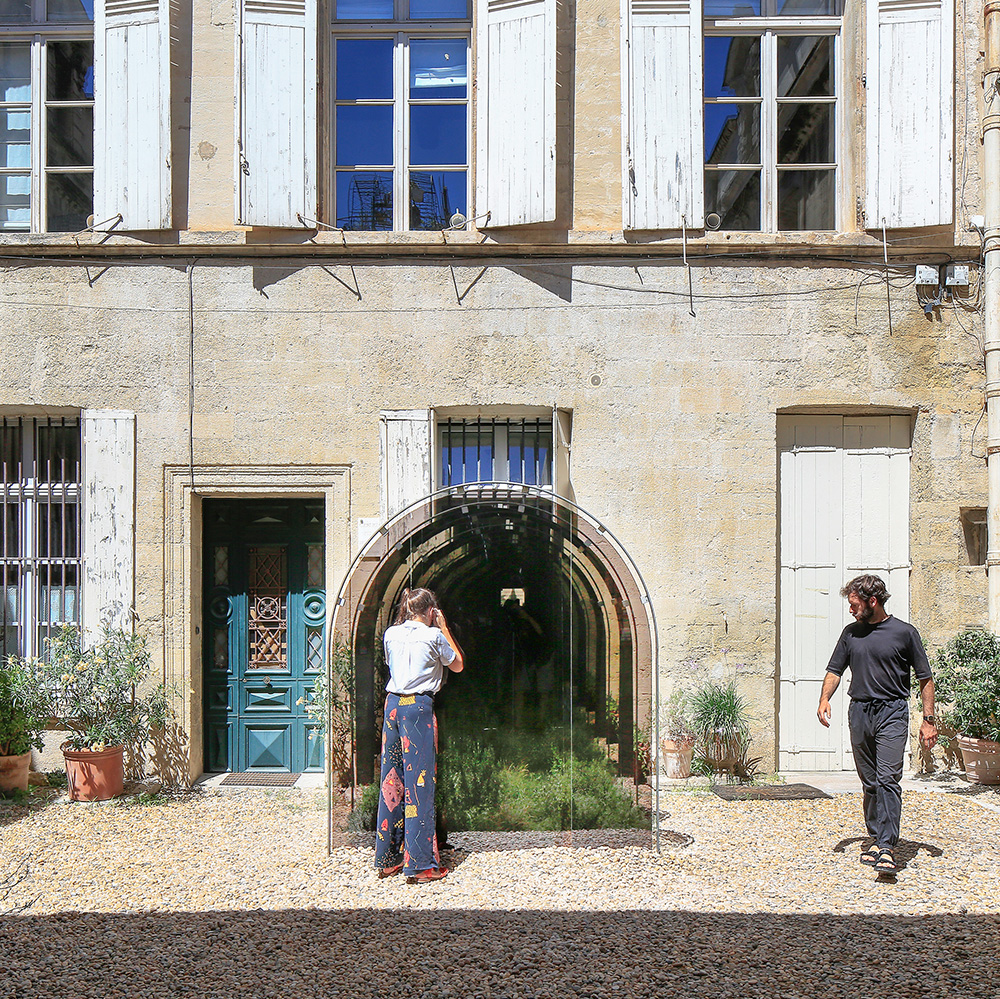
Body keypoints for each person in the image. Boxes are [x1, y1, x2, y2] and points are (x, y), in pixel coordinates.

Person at [817, 574, 938, 875]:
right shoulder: (851, 634)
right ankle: (875, 836)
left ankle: (887, 847)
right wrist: (824, 699)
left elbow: (925, 678)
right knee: (870, 782)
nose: (851, 610)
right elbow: (835, 670)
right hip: (859, 711)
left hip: (892, 713)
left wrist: (929, 720)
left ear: (873, 602)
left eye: (854, 604)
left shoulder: (904, 633)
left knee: (887, 779)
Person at [374, 587, 464, 884]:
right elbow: (458, 664)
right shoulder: (434, 635)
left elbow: (391, 665)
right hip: (418, 708)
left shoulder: (391, 633)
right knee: (420, 784)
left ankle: (389, 859)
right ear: (430, 611)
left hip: (393, 707)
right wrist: (444, 626)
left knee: (392, 780)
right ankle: (421, 865)